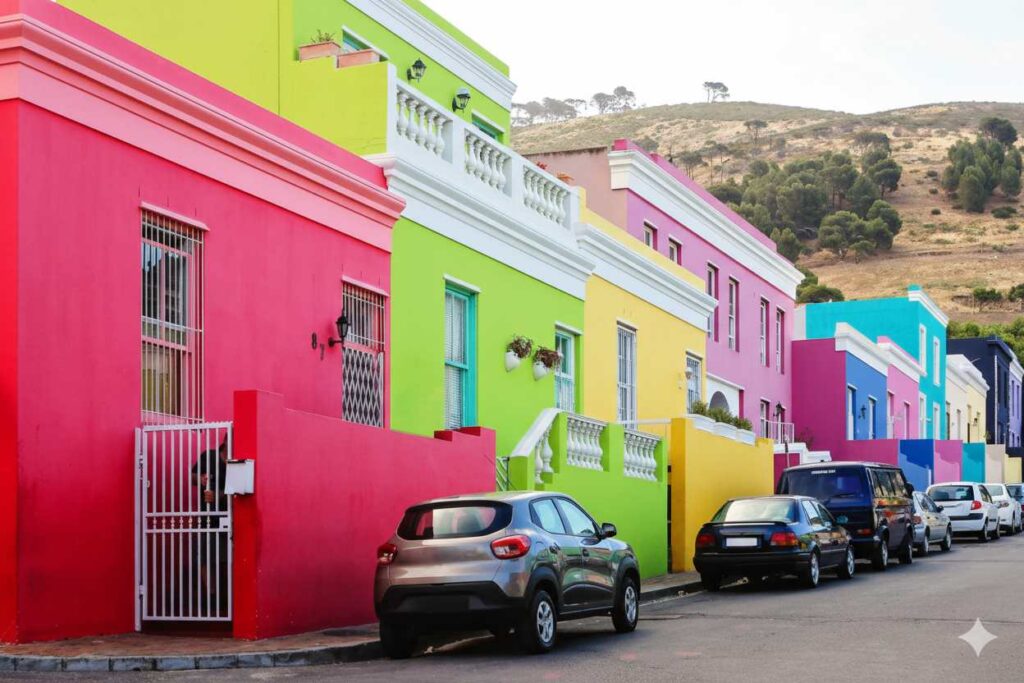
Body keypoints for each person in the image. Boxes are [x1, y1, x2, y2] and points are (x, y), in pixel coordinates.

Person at [191, 437, 229, 615]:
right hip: (206, 517)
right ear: (226, 442)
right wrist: (200, 479)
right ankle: (211, 596)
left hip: (230, 517)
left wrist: (218, 496)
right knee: (204, 558)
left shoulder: (238, 461)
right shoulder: (209, 456)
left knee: (227, 558)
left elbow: (237, 489)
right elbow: (192, 477)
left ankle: (227, 596)